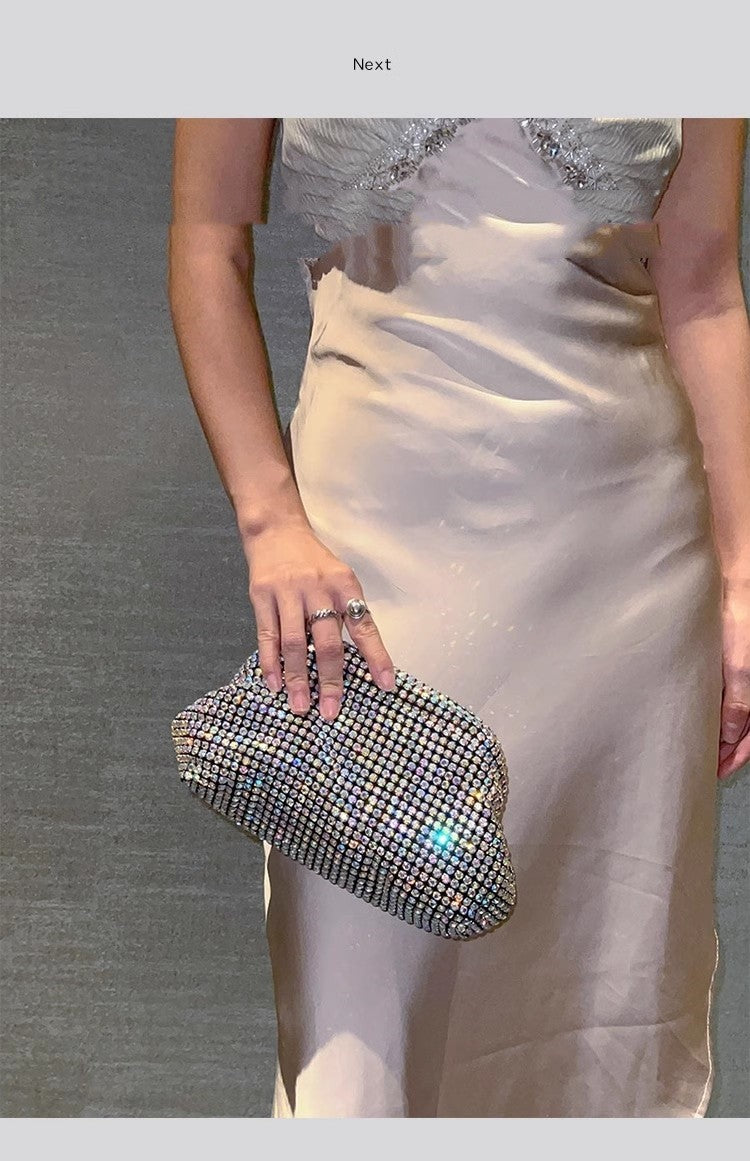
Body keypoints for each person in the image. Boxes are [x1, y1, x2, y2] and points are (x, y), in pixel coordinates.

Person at [168, 118, 749, 1118]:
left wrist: (743, 578)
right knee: (362, 1011)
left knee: (600, 984)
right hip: (372, 549)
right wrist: (269, 519)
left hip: (629, 558)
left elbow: (701, 284)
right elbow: (202, 246)